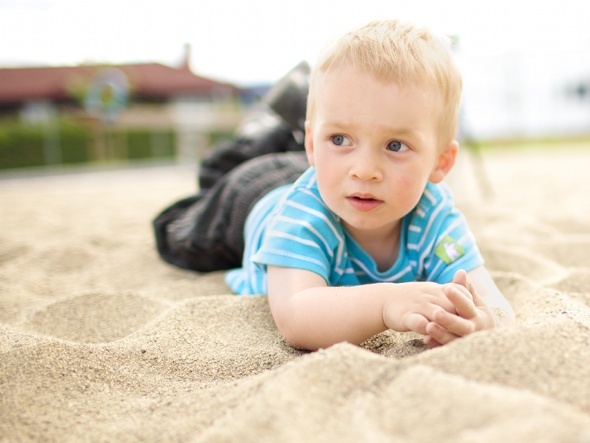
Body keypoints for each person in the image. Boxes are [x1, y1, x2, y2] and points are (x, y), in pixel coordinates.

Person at [154, 19, 515, 351]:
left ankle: (299, 131)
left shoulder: (434, 216)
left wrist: (479, 322)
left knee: (331, 160)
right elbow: (297, 316)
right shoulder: (302, 216)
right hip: (251, 196)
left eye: (395, 145)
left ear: (440, 163)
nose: (365, 170)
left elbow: (494, 306)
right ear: (316, 144)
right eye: (340, 137)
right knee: (181, 228)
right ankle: (261, 134)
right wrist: (388, 302)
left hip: (323, 172)